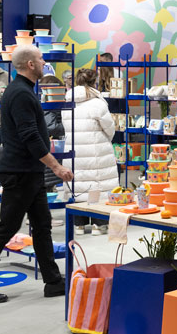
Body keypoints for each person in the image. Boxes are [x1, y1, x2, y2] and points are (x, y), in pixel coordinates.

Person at [0, 45, 73, 304]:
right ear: (30, 64)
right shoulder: (21, 94)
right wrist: (56, 166)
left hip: (29, 172)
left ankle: (53, 281)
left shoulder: (23, 90)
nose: (44, 61)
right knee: (7, 227)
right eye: (40, 58)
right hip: (20, 172)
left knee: (42, 225)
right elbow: (30, 136)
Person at [62, 68, 117, 235]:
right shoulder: (97, 103)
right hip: (96, 151)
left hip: (73, 149)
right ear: (95, 82)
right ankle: (99, 224)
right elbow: (110, 128)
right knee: (98, 185)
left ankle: (79, 224)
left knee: (78, 185)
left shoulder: (67, 102)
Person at [40, 75, 66, 192]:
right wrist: (68, 126)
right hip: (51, 148)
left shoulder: (47, 104)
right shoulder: (48, 106)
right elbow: (51, 127)